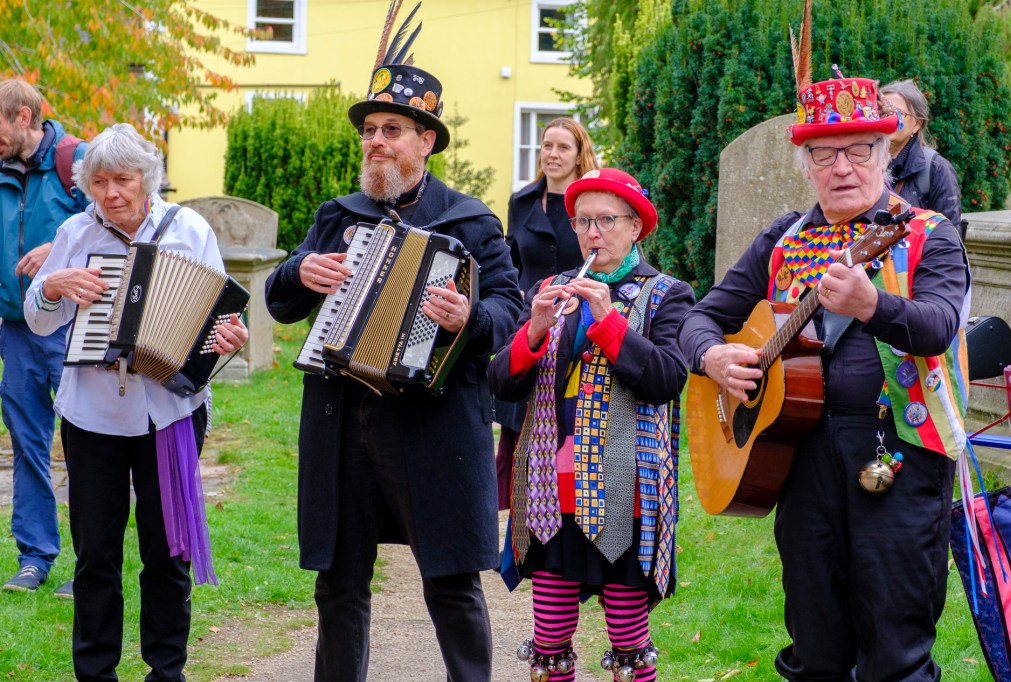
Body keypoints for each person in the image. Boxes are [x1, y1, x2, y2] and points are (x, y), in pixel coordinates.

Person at [678, 9, 970, 679]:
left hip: (897, 453)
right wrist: (713, 357)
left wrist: (874, 305)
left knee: (896, 649)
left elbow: (937, 326)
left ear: (886, 153)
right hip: (799, 455)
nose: (842, 167)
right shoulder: (783, 239)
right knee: (815, 644)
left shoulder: (927, 235)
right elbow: (702, 317)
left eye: (859, 150)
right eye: (824, 154)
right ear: (806, 164)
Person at [263, 15, 522, 681]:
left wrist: (469, 316)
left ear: (425, 142)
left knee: (451, 582)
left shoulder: (470, 222)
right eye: (369, 131)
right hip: (343, 422)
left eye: (391, 130)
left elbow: (510, 311)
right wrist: (299, 272)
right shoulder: (338, 216)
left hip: (432, 425)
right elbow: (280, 301)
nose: (375, 141)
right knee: (339, 583)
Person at [23, 122, 248, 681]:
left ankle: (166, 672)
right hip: (92, 417)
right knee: (95, 556)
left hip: (169, 413)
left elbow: (222, 313)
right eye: (99, 183)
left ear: (146, 178)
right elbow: (37, 318)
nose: (110, 193)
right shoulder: (75, 233)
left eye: (121, 180)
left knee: (167, 553)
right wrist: (51, 287)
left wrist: (230, 336)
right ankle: (95, 673)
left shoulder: (188, 230)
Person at [490, 168, 693, 682]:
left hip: (628, 490)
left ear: (635, 227)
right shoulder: (550, 289)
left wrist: (608, 321)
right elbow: (501, 382)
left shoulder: (667, 294)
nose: (592, 233)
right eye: (582, 222)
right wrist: (534, 330)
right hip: (551, 490)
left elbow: (666, 380)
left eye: (606, 220)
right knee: (549, 636)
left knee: (628, 638)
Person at [0, 77, 87, 595]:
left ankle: (89, 562)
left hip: (71, 328)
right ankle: (34, 557)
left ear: (23, 117)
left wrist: (58, 248)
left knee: (85, 445)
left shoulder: (78, 162)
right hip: (16, 332)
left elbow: (115, 225)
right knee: (27, 443)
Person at [496, 118, 599, 509]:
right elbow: (511, 260)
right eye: (547, 145)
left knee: (562, 416)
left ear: (579, 155)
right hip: (530, 320)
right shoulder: (521, 201)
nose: (552, 154)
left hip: (577, 322)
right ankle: (518, 506)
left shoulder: (590, 204)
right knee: (519, 420)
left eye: (563, 147)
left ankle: (561, 498)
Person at [881, 79, 965, 238]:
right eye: (882, 113)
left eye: (897, 113)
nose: (888, 119)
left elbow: (949, 239)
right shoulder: (863, 165)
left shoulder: (937, 169)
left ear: (917, 124)